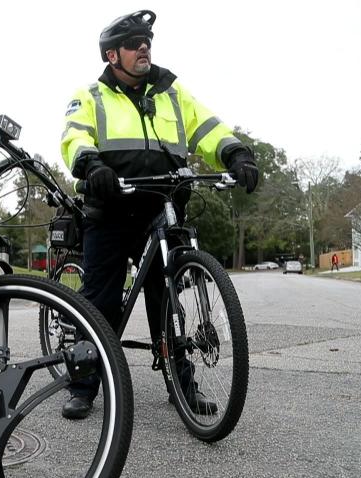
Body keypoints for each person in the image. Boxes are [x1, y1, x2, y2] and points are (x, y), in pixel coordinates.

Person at [59, 10, 260, 419]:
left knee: (168, 300)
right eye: (134, 43)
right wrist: (92, 167)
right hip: (112, 208)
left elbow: (207, 128)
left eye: (147, 42)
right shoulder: (90, 96)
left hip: (162, 207)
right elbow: (74, 136)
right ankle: (83, 385)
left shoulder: (172, 91)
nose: (144, 48)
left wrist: (236, 153)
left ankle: (181, 383)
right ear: (112, 56)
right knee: (100, 299)